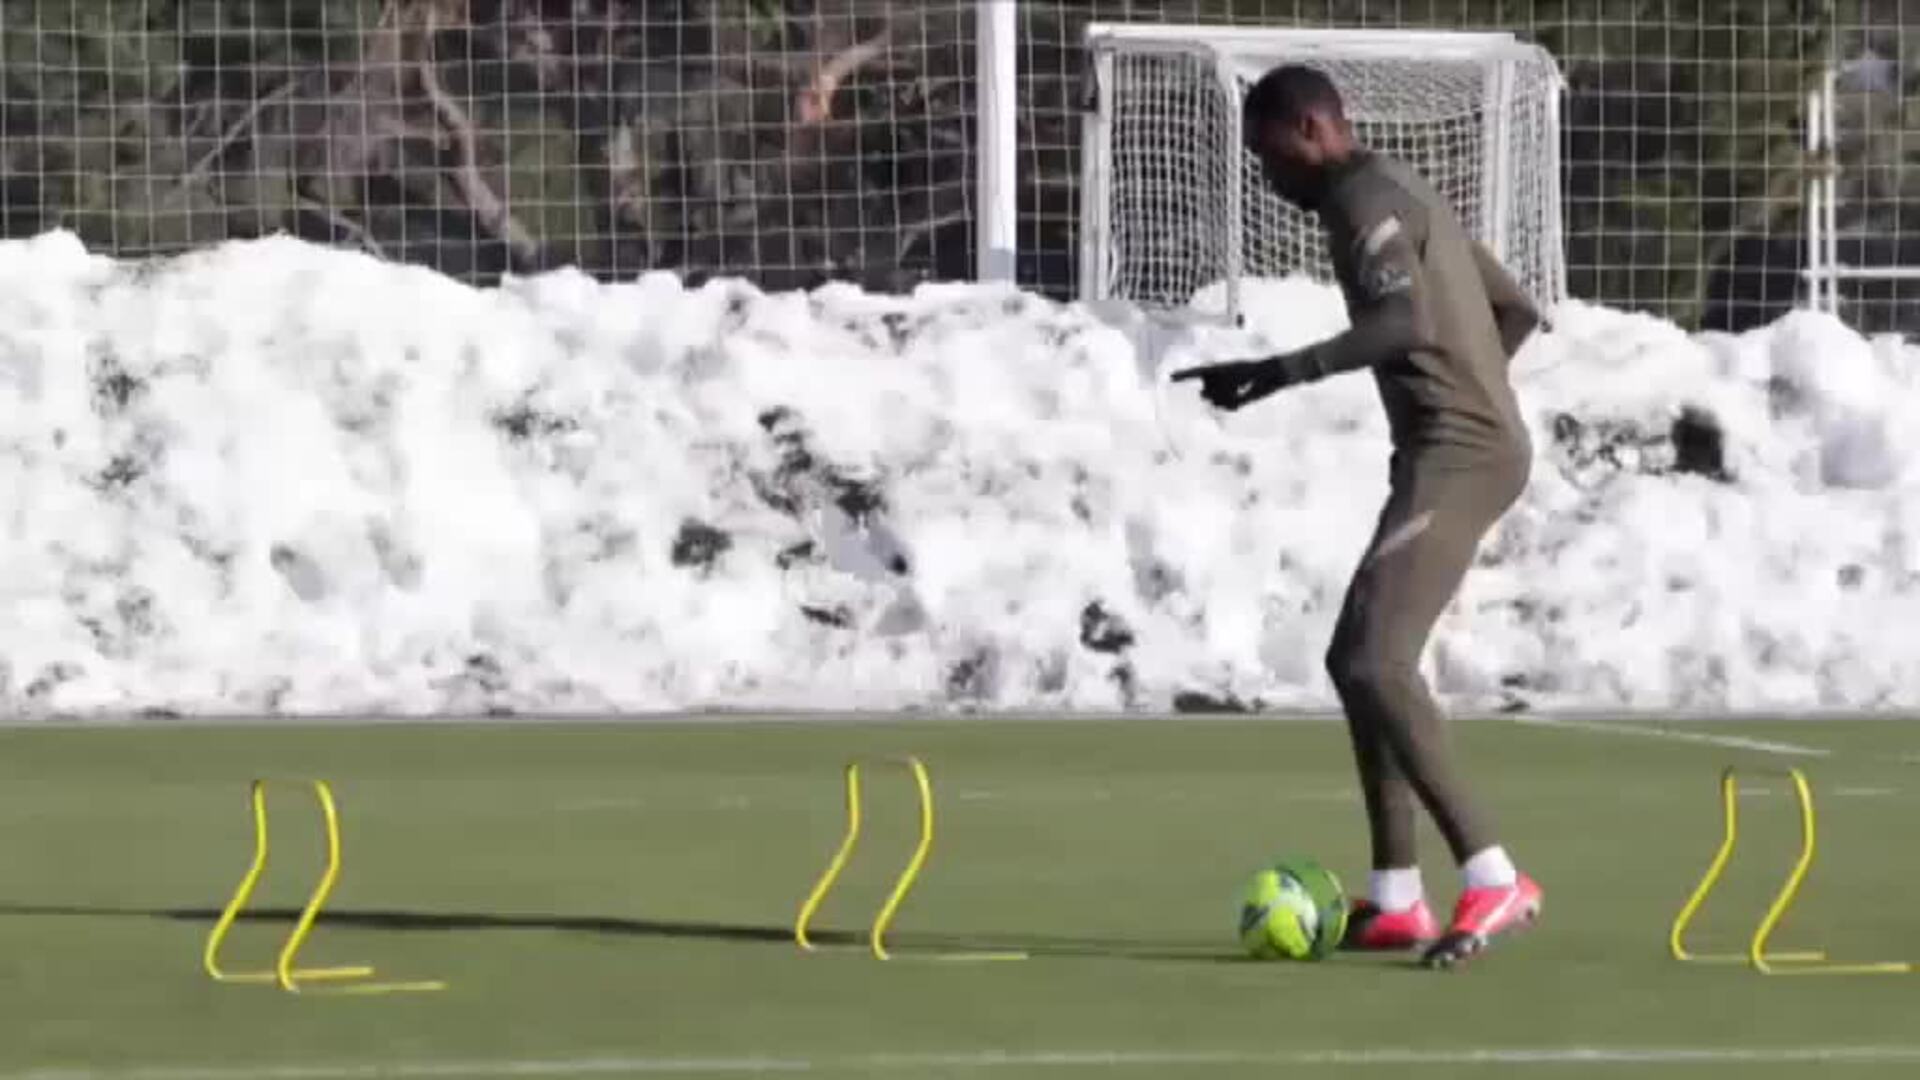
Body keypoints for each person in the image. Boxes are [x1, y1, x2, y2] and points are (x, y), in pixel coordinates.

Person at [1172, 64, 1545, 970]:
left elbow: (1401, 322)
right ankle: (1397, 899)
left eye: (1269, 157)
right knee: (1357, 662)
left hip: (1460, 457)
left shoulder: (1358, 197)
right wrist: (1468, 394)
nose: (1268, 179)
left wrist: (1276, 373)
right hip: (1456, 447)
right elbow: (1514, 307)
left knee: (1378, 660)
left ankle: (1494, 876)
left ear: (1311, 130)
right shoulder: (1406, 186)